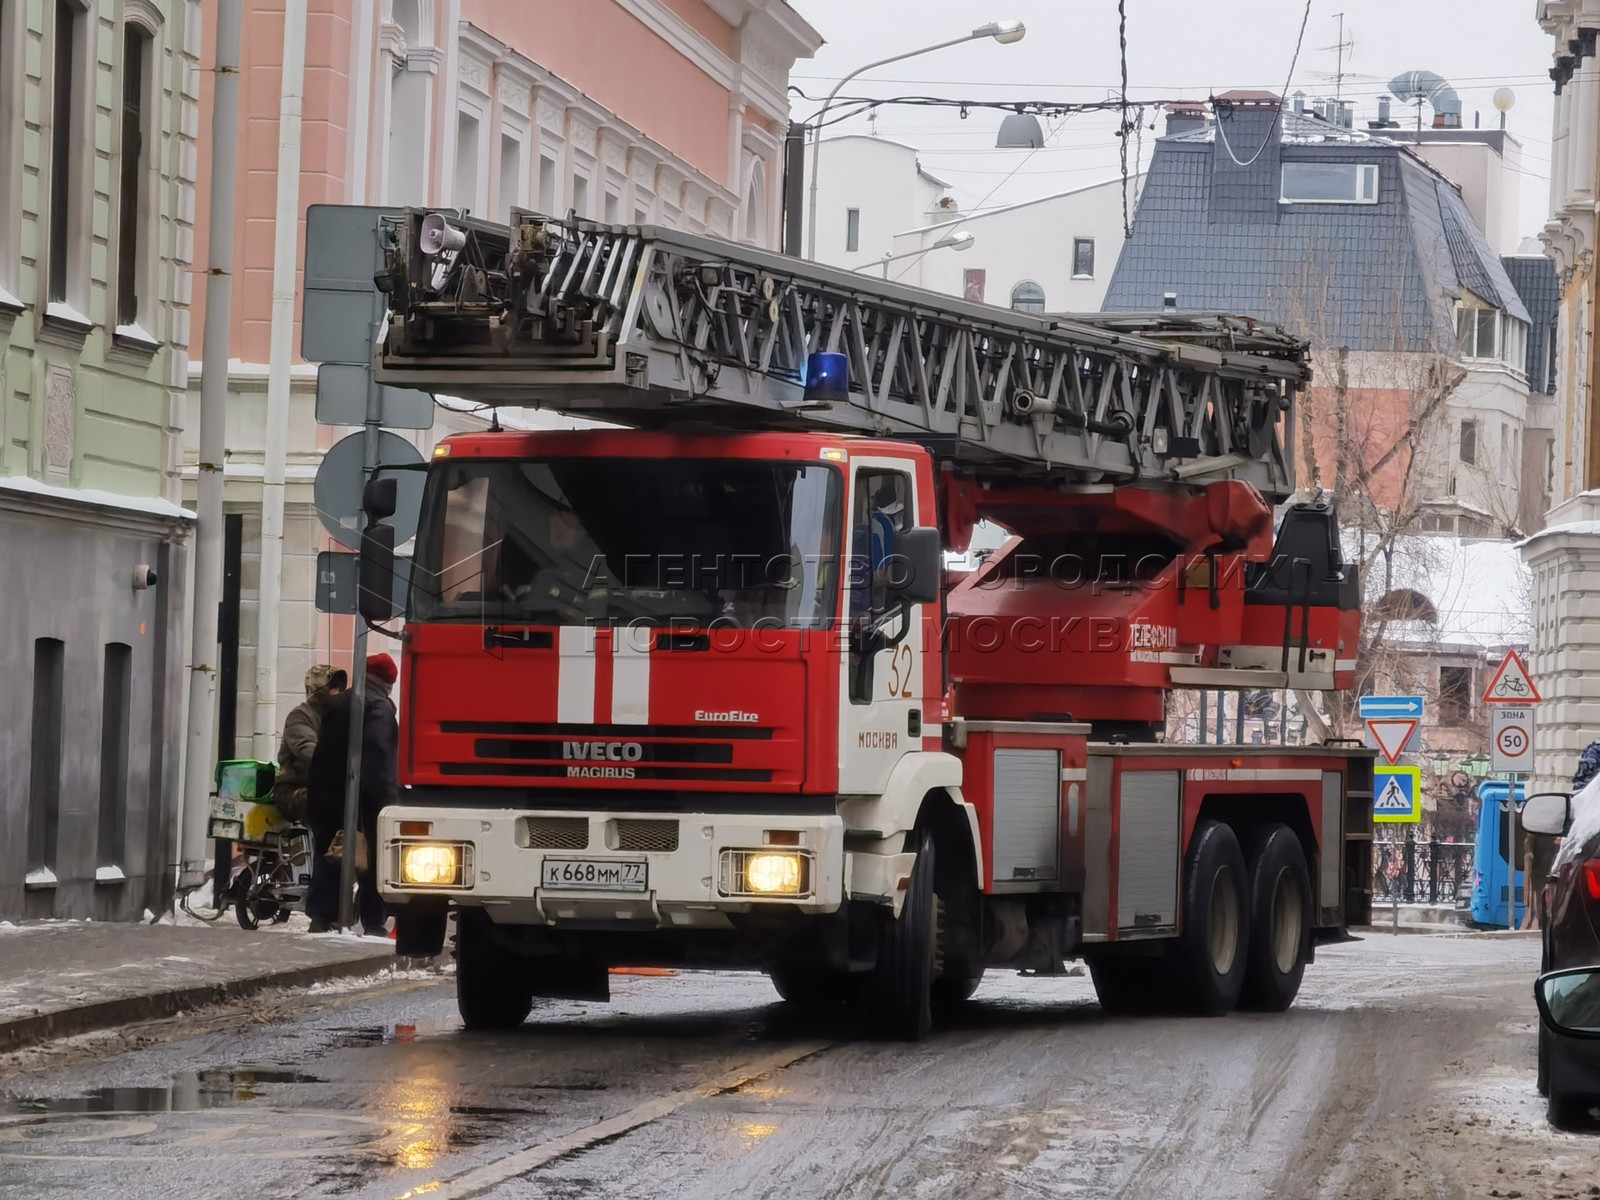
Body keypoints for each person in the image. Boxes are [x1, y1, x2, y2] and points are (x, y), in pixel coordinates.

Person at [305, 654, 401, 935]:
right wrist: (387, 802)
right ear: (388, 684)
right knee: (371, 859)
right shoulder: (379, 708)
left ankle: (323, 916)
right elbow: (380, 763)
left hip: (326, 795)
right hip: (363, 800)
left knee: (331, 853)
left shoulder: (338, 703)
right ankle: (373, 922)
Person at [271, 665, 346, 823]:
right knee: (332, 800)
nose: (339, 693)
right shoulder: (300, 717)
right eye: (334, 688)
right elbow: (308, 751)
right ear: (320, 691)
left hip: (323, 785)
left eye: (341, 688)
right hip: (293, 789)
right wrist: (343, 765)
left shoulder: (336, 716)